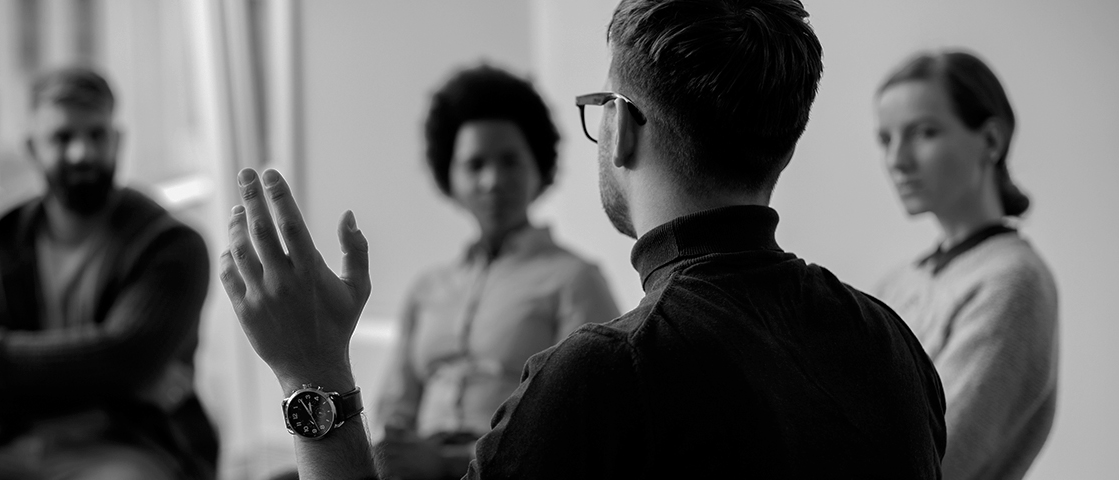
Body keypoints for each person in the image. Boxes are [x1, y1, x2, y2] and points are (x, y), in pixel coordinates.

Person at [218, 0, 946, 478]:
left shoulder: (606, 375)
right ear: (784, 146)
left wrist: (308, 373)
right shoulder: (891, 346)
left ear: (621, 127)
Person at [0, 67, 218, 480]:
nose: (82, 153)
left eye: (97, 135)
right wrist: (112, 380)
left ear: (118, 141)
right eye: (62, 138)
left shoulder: (173, 247)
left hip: (129, 445)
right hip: (8, 446)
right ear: (32, 148)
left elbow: (125, 358)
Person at [372, 65, 619, 480]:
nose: (492, 180)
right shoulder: (427, 289)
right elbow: (393, 412)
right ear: (448, 177)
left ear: (539, 169)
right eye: (474, 164)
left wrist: (449, 462)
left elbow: (580, 424)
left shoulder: (575, 280)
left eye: (509, 161)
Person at [873, 50, 1059, 480]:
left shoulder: (1013, 283)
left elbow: (932, 463)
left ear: (990, 141)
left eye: (924, 132)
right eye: (885, 139)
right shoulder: (897, 282)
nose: (898, 160)